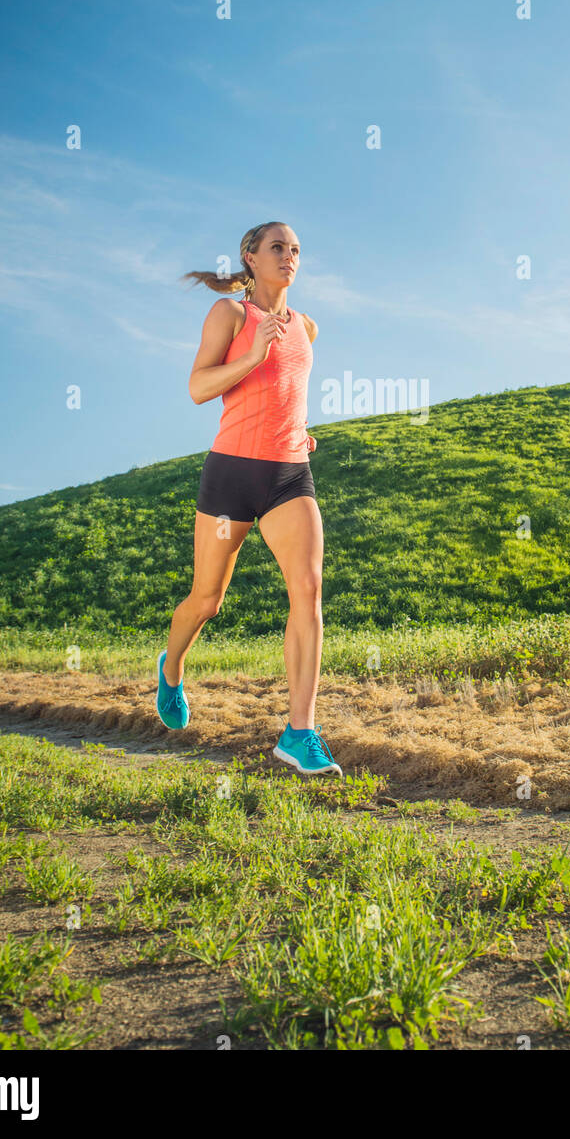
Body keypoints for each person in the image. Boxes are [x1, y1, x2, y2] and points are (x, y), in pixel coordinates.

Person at [155, 221, 341, 777]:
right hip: (231, 474)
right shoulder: (231, 316)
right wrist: (252, 355)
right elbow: (198, 388)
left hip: (289, 475)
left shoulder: (307, 326)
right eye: (278, 248)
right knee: (207, 600)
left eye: (296, 250)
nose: (289, 257)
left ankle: (299, 731)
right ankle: (172, 667)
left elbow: (287, 391)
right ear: (251, 258)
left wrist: (299, 427)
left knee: (307, 590)